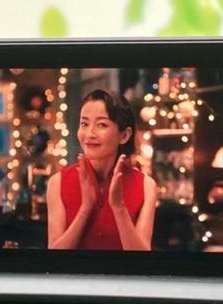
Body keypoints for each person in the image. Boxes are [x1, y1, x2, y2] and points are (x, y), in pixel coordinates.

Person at [47, 89, 157, 250]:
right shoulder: (57, 183)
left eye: (102, 125)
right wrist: (85, 209)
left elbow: (142, 259)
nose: (89, 134)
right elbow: (53, 258)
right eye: (84, 124)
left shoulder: (146, 186)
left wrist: (119, 208)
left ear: (124, 135)